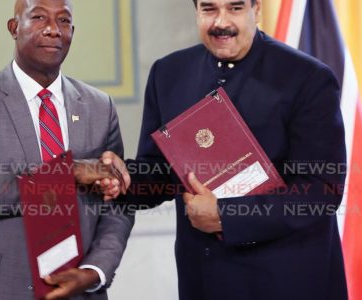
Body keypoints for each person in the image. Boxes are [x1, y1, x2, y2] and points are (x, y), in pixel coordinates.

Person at [102, 0, 348, 299]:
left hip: (286, 280)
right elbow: (163, 171)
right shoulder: (168, 73)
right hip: (204, 281)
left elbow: (321, 191)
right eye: (208, 9)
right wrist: (123, 178)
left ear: (256, 10)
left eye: (234, 8)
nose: (221, 22)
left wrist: (226, 216)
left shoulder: (308, 77)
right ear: (196, 11)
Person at [0, 0, 133, 299]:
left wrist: (95, 271)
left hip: (78, 288)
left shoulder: (100, 106)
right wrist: (70, 171)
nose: (53, 30)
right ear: (13, 27)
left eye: (64, 21)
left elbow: (118, 202)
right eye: (39, 17)